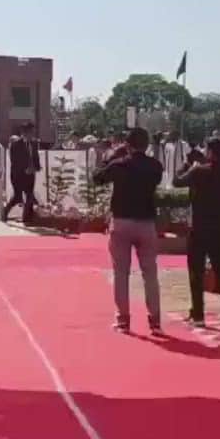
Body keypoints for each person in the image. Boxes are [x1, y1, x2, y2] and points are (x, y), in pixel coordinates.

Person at [92, 127, 164, 335]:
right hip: (146, 222)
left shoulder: (120, 165)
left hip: (122, 221)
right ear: (147, 145)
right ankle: (155, 321)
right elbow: (157, 179)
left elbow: (97, 178)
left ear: (128, 144)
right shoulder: (154, 166)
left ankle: (123, 319)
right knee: (150, 273)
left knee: (121, 273)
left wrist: (111, 157)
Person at [174, 138, 220, 328]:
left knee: (196, 271)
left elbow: (177, 181)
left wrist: (187, 164)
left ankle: (198, 314)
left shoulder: (198, 171)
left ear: (210, 151)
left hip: (200, 227)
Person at [1, 123, 40, 224]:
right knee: (17, 197)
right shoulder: (16, 144)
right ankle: (5, 212)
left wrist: (36, 167)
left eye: (33, 132)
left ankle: (27, 218)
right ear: (25, 133)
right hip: (18, 175)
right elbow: (15, 160)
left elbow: (35, 157)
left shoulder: (34, 143)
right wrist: (25, 169)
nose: (32, 134)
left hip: (30, 175)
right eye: (31, 132)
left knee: (30, 195)